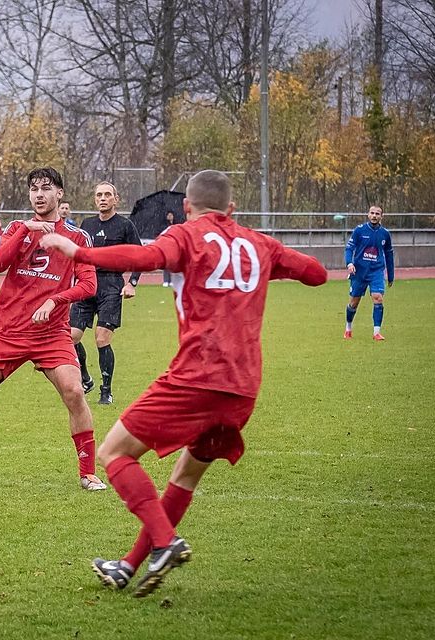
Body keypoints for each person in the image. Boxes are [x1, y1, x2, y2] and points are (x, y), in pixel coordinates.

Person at [41, 170, 327, 597]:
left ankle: (166, 540)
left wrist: (78, 252)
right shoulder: (259, 243)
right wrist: (264, 263)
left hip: (197, 377)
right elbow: (317, 273)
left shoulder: (186, 235)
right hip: (243, 389)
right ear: (231, 209)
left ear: (187, 206)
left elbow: (144, 258)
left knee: (113, 453)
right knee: (185, 477)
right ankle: (128, 566)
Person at [0, 166, 105, 492]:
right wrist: (25, 230)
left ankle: (88, 472)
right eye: (34, 189)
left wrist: (55, 300)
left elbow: (89, 285)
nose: (39, 194)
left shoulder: (77, 238)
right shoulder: (16, 228)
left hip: (51, 333)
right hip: (7, 330)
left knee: (75, 391)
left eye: (46, 188)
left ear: (59, 194)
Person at [69, 182, 142, 405]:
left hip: (111, 285)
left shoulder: (125, 225)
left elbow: (140, 256)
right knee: (70, 337)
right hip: (86, 282)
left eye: (107, 194)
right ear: (95, 199)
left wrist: (132, 283)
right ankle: (86, 378)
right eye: (99, 195)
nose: (103, 198)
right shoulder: (87, 224)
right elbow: (78, 254)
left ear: (115, 199)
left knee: (101, 338)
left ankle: (106, 391)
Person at [344, 205, 394, 340]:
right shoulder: (359, 230)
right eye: (372, 213)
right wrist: (349, 263)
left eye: (377, 214)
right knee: (354, 302)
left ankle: (376, 333)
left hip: (376, 271)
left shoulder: (385, 234)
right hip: (359, 271)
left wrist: (391, 275)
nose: (374, 216)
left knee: (378, 298)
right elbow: (349, 249)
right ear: (368, 214)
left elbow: (389, 254)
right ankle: (348, 328)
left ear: (381, 216)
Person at [162, 211, 176, 287]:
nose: (170, 217)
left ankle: (171, 281)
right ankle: (166, 280)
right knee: (166, 264)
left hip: (173, 247)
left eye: (171, 215)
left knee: (172, 264)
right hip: (166, 246)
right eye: (169, 215)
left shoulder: (175, 225)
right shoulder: (164, 226)